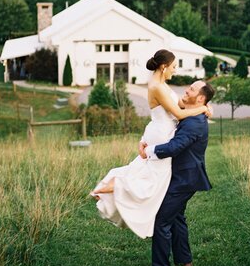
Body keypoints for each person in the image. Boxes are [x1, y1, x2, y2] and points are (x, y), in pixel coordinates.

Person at [90, 49, 210, 239]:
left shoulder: (161, 84)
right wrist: (203, 107)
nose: (175, 71)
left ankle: (108, 187)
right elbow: (179, 114)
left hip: (159, 131)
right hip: (162, 133)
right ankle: (114, 187)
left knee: (143, 172)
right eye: (173, 67)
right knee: (153, 182)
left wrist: (201, 106)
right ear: (164, 67)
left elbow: (179, 104)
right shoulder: (157, 87)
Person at [139, 80, 215, 266]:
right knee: (176, 217)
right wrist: (206, 107)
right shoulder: (194, 112)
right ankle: (184, 260)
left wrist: (148, 151)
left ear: (199, 98)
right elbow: (177, 109)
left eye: (191, 89)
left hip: (184, 180)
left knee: (162, 219)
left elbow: (174, 148)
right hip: (183, 176)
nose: (186, 90)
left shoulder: (194, 122)